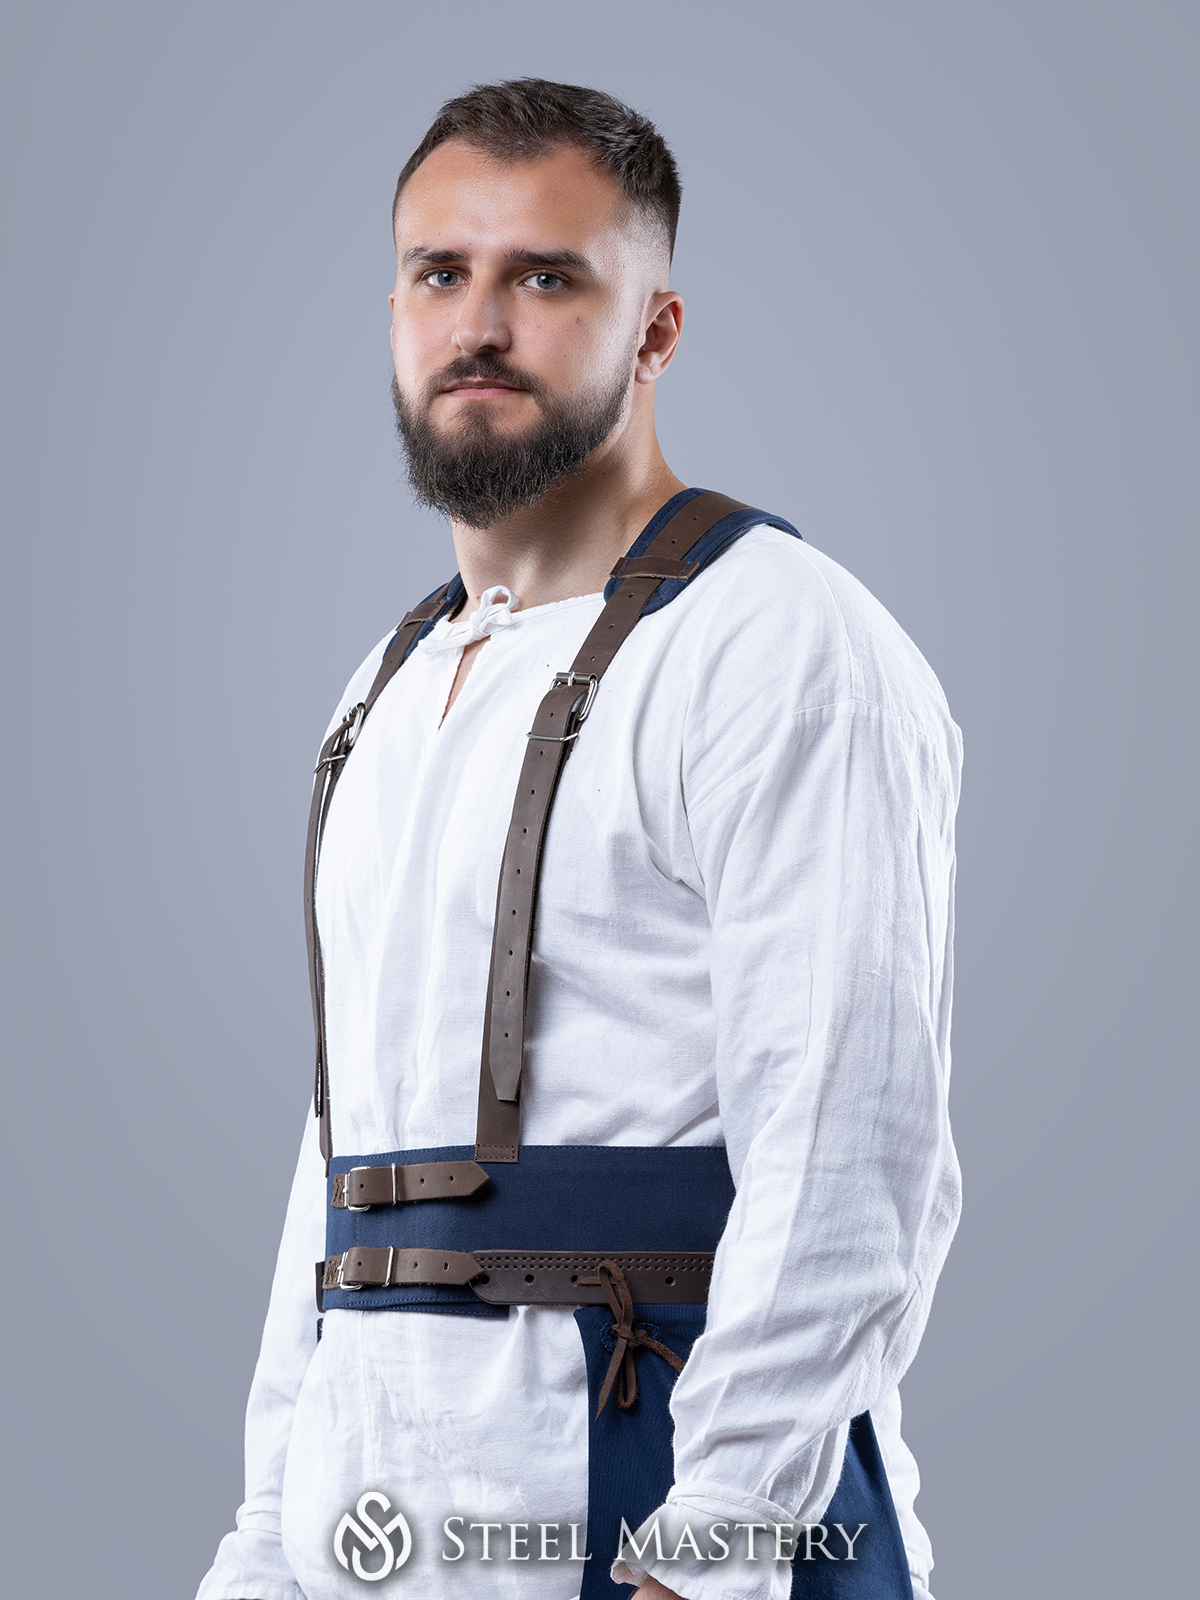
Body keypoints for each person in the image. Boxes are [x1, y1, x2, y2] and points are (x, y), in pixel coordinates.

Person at [197, 78, 961, 1600]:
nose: (479, 325)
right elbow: (344, 1176)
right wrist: (270, 1546)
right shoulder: (388, 686)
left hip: (657, 1508)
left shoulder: (778, 645)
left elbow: (850, 1153)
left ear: (656, 331)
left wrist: (715, 1543)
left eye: (545, 278)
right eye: (440, 274)